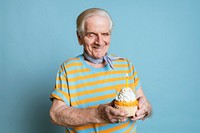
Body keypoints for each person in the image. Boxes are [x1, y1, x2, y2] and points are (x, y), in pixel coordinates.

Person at [49, 8, 152, 133]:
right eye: (91, 34)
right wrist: (97, 114)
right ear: (79, 37)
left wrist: (145, 110)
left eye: (105, 34)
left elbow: (145, 104)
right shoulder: (68, 69)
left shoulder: (125, 65)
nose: (99, 42)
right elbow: (55, 114)